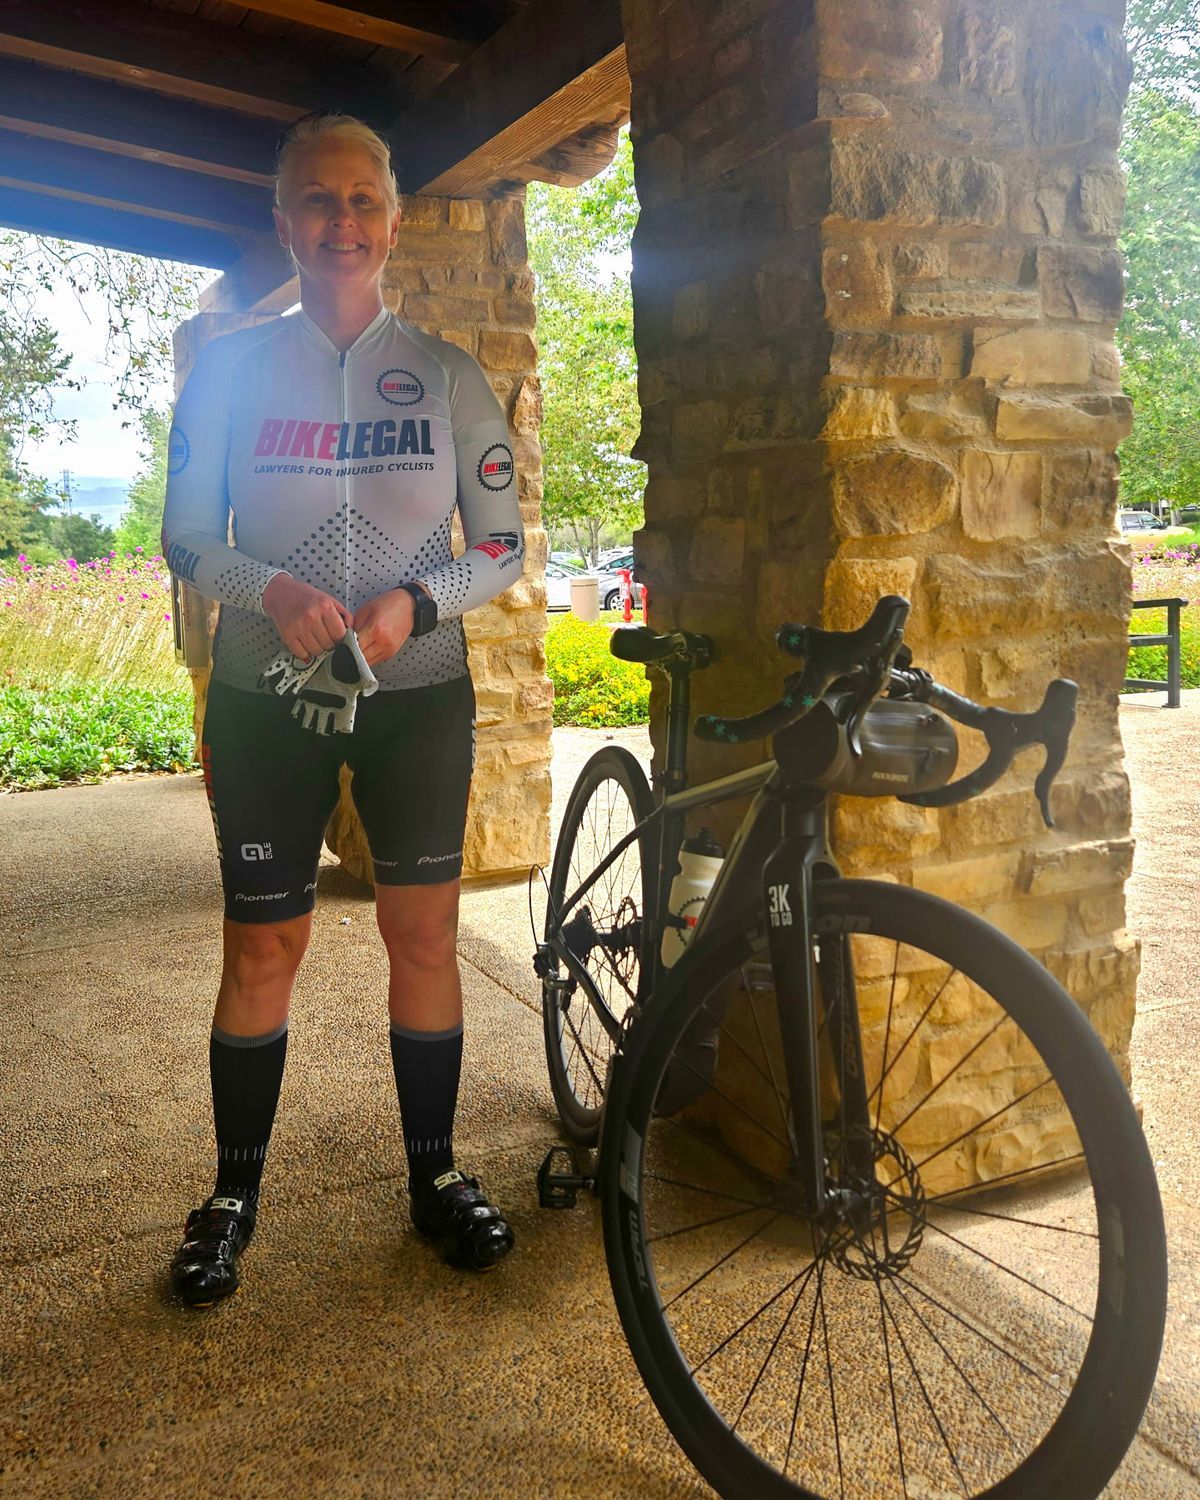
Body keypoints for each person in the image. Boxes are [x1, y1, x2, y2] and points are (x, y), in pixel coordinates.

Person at [161, 114, 524, 1306]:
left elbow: (507, 548)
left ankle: (435, 1179)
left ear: (395, 217)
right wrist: (267, 588)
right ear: (283, 223)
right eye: (317, 202)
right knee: (263, 944)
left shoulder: (454, 373)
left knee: (422, 936)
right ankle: (231, 1197)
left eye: (363, 200)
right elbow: (182, 538)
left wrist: (418, 605)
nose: (342, 223)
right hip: (270, 693)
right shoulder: (229, 368)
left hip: (417, 693)